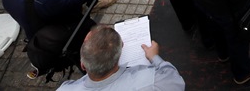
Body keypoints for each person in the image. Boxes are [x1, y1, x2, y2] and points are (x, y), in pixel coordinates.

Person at [57, 26, 185, 90]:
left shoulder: (64, 89)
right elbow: (176, 83)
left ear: (83, 65)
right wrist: (154, 57)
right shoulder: (152, 81)